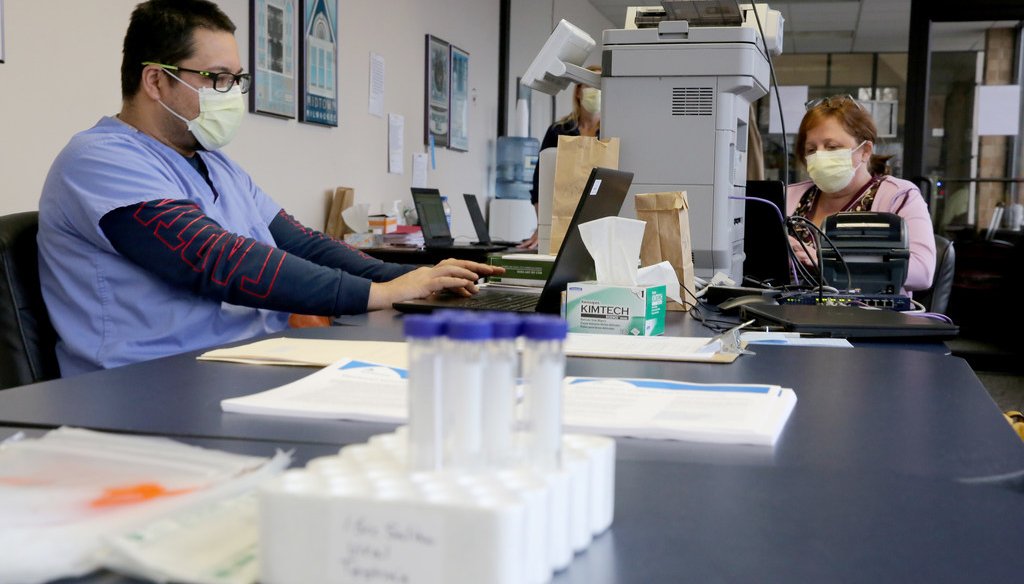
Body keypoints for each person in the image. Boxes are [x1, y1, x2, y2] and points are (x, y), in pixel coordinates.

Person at [36, 0, 501, 376]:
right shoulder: (100, 159)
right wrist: (377, 295)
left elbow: (302, 244)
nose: (232, 93)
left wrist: (407, 281)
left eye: (237, 80)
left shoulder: (216, 165)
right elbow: (214, 259)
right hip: (150, 381)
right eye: (217, 78)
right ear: (156, 80)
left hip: (244, 363)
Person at [787, 94, 935, 294]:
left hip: (872, 319)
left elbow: (923, 272)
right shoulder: (789, 197)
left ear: (865, 150)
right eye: (811, 149)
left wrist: (827, 262)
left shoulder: (898, 197)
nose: (820, 156)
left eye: (832, 147)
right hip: (791, 317)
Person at [523, 65, 602, 249]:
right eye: (590, 85)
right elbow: (540, 183)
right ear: (578, 92)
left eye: (600, 86)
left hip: (599, 221)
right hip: (560, 218)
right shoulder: (558, 130)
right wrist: (542, 228)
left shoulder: (612, 132)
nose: (596, 92)